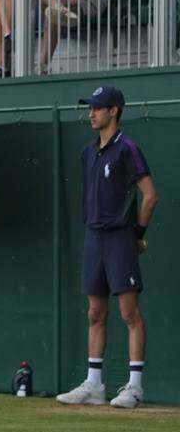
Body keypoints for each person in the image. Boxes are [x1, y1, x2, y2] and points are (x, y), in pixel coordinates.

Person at [57, 86, 158, 409]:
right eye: (90, 108)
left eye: (98, 108)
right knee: (95, 312)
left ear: (114, 111)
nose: (91, 113)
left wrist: (137, 233)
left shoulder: (128, 148)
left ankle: (135, 387)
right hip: (93, 237)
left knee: (129, 313)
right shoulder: (88, 152)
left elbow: (150, 195)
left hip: (119, 238)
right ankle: (94, 385)